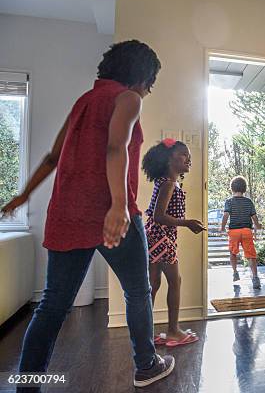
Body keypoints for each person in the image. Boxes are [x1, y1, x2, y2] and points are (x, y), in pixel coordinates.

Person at [0, 40, 174, 390]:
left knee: (52, 304)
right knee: (138, 290)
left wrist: (23, 194)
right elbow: (116, 147)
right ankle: (146, 365)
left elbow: (52, 157)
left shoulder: (84, 101)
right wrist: (118, 205)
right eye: (150, 81)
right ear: (140, 77)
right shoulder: (128, 99)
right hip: (113, 214)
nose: (149, 90)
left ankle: (27, 384)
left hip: (68, 215)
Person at [142, 139, 204, 347]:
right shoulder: (168, 183)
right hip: (162, 238)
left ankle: (145, 333)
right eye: (184, 155)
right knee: (174, 282)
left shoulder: (167, 181)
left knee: (153, 284)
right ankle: (173, 331)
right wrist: (187, 223)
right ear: (170, 159)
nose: (189, 159)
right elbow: (159, 216)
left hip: (154, 236)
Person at [221, 176, 262, 290]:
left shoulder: (229, 202)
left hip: (234, 231)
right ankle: (255, 278)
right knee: (251, 255)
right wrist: (258, 226)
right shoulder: (249, 202)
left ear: (232, 188)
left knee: (233, 253)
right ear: (244, 188)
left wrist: (222, 227)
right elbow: (254, 217)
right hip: (246, 231)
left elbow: (225, 215)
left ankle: (235, 272)